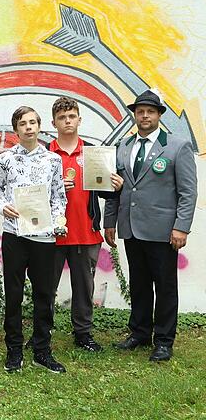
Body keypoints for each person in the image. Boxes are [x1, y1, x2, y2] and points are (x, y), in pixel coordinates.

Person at [104, 90, 197, 361]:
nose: (144, 116)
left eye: (150, 111)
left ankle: (164, 340)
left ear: (159, 115)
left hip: (163, 231)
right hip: (131, 227)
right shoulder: (123, 146)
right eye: (140, 111)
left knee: (165, 286)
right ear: (135, 114)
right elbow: (114, 188)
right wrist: (110, 221)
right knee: (139, 283)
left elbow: (188, 192)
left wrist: (181, 227)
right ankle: (140, 332)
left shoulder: (177, 147)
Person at [0, 106, 67, 373]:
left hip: (44, 237)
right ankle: (13, 350)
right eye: (23, 123)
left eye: (33, 122)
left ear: (40, 126)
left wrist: (59, 220)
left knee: (44, 294)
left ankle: (42, 350)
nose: (29, 127)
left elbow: (58, 196)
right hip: (15, 234)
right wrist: (3, 206)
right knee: (13, 294)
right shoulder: (4, 159)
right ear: (16, 129)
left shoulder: (53, 160)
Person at [48, 97, 123, 352]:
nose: (67, 121)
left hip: (86, 231)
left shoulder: (93, 153)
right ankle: (41, 333)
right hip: (52, 235)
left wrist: (115, 187)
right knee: (46, 289)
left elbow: (105, 193)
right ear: (54, 123)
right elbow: (32, 195)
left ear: (79, 119)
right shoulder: (45, 155)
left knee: (84, 289)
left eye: (71, 116)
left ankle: (83, 334)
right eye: (62, 118)